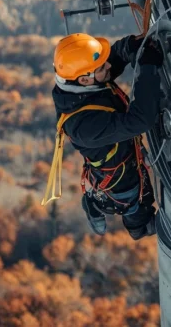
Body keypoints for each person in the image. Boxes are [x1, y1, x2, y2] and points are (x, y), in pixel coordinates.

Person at [44, 32, 164, 240]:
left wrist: (131, 46)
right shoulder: (84, 126)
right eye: (101, 67)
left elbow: (113, 59)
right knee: (134, 205)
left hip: (115, 153)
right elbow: (141, 119)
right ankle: (134, 227)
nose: (107, 66)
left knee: (133, 190)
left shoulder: (82, 83)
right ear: (84, 79)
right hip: (119, 178)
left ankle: (95, 202)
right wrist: (148, 68)